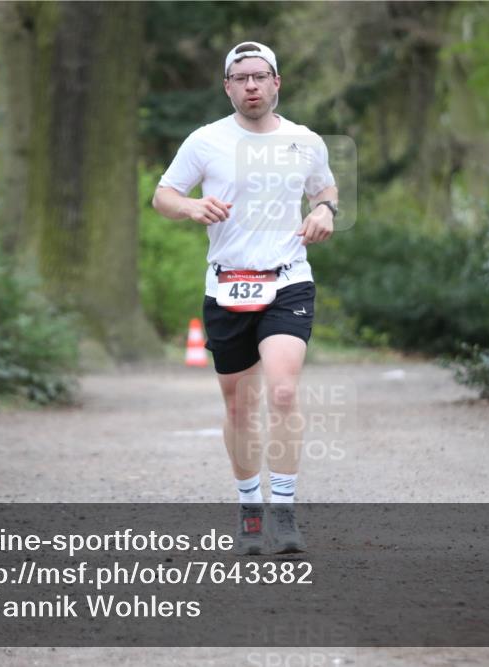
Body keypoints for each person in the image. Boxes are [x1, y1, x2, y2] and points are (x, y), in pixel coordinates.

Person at [152, 41, 338, 554]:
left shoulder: (305, 141)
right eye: (241, 78)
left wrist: (325, 212)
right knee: (238, 405)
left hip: (287, 279)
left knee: (283, 391)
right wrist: (191, 208)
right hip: (227, 283)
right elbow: (163, 195)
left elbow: (325, 190)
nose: (251, 85)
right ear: (227, 87)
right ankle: (250, 506)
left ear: (277, 83)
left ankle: (285, 513)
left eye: (259, 76)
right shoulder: (205, 140)